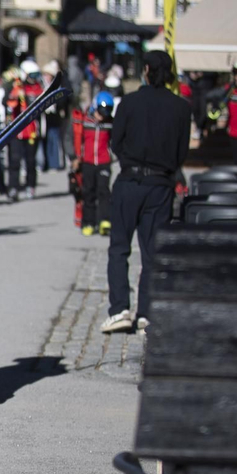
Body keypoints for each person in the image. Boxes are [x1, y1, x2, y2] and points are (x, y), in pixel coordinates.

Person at [102, 51, 191, 335]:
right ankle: (146, 315)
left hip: (130, 180)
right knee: (152, 252)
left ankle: (119, 310)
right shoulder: (181, 108)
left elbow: (115, 142)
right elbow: (181, 153)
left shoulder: (129, 103)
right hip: (160, 185)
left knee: (119, 248)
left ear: (147, 71)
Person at [72, 89, 115, 236]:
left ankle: (104, 221)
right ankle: (88, 222)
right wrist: (76, 158)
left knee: (103, 191)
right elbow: (77, 139)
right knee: (88, 192)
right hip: (88, 161)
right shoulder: (86, 121)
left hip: (103, 161)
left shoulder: (110, 123)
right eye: (101, 112)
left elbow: (115, 141)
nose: (102, 116)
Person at [1, 60, 42, 201]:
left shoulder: (36, 88)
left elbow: (39, 104)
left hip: (31, 130)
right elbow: (5, 101)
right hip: (16, 131)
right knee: (14, 161)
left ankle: (31, 186)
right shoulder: (15, 86)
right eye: (31, 75)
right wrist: (14, 92)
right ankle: (13, 188)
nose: (34, 78)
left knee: (31, 161)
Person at [42, 59, 70, 172]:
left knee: (55, 138)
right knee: (46, 139)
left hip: (55, 114)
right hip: (45, 115)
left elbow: (63, 98)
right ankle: (47, 163)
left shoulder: (58, 84)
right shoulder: (43, 85)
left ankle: (55, 162)